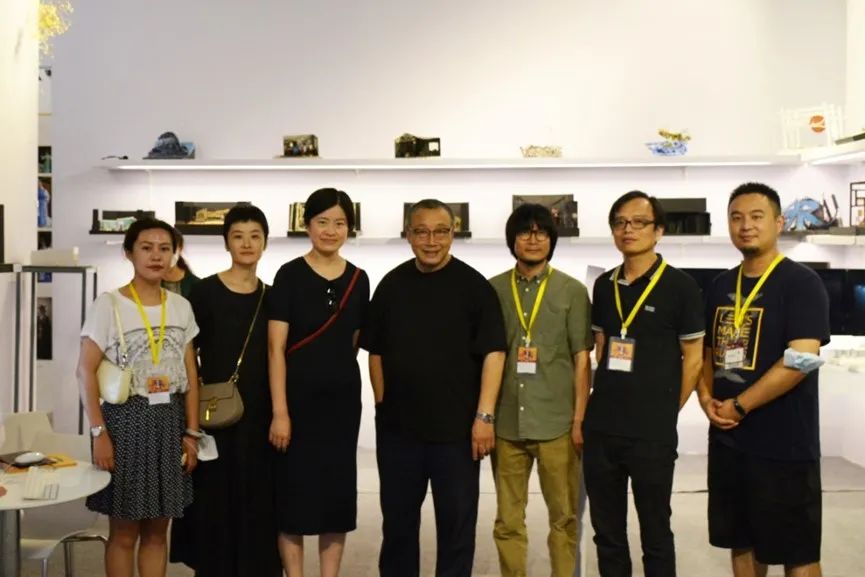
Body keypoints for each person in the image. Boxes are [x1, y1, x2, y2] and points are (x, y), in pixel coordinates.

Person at [361, 198, 507, 577]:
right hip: (399, 433)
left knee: (457, 529)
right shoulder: (392, 285)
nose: (431, 241)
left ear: (453, 234)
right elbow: (375, 352)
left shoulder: (475, 288)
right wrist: (382, 404)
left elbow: (494, 354)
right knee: (398, 527)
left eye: (440, 232)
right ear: (408, 235)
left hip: (457, 435)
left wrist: (484, 417)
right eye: (422, 232)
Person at [698, 182, 830, 577]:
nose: (746, 226)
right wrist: (706, 399)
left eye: (757, 217)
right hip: (729, 442)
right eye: (736, 218)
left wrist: (740, 405)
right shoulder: (721, 285)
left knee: (797, 551)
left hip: (785, 443)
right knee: (740, 541)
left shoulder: (801, 283)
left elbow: (801, 359)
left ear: (779, 222)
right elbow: (707, 353)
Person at [583, 191, 704, 577]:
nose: (628, 230)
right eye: (620, 222)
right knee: (607, 533)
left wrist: (667, 410)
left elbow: (694, 358)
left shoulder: (681, 286)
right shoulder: (604, 285)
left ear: (659, 231)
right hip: (602, 428)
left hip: (651, 432)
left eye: (638, 222)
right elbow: (602, 347)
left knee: (655, 531)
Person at [77, 218, 200, 577]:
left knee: (158, 533)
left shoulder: (180, 307)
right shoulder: (109, 304)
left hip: (170, 422)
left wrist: (192, 433)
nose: (156, 256)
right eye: (147, 248)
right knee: (124, 533)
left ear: (174, 254)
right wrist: (99, 433)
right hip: (125, 424)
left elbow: (191, 376)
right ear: (129, 253)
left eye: (165, 248)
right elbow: (84, 371)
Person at [169, 205, 281, 577]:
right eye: (238, 236)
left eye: (254, 236)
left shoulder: (273, 296)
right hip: (213, 414)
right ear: (226, 243)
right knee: (214, 500)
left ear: (265, 243)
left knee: (257, 500)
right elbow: (187, 356)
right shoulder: (205, 293)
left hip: (260, 413)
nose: (247, 244)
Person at [268, 188, 370, 577]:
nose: (330, 230)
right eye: (322, 221)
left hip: (341, 405)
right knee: (292, 498)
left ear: (349, 228)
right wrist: (280, 412)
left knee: (336, 500)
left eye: (339, 223)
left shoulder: (359, 279)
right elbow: (275, 349)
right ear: (307, 225)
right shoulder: (289, 275)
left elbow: (355, 341)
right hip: (295, 404)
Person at [488, 204, 593, 577]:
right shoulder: (493, 290)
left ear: (551, 240)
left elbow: (582, 359)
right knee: (507, 521)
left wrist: (579, 419)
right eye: (524, 232)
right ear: (512, 240)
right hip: (506, 424)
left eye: (542, 232)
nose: (533, 240)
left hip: (557, 426)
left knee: (563, 518)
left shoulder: (572, 291)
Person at [162, 227, 199, 298]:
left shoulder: (196, 285)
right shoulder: (147, 283)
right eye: (162, 249)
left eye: (169, 248)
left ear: (180, 248)